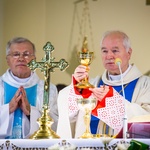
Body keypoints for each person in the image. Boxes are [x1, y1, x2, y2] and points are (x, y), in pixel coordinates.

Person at [56, 30, 150, 139]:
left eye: (115, 50)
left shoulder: (145, 85)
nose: (109, 56)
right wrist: (77, 87)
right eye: (104, 51)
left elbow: (145, 121)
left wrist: (111, 102)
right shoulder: (94, 84)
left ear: (129, 53)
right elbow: (70, 117)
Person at [0, 37, 58, 139]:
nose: (21, 58)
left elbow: (57, 125)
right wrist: (8, 109)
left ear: (34, 60)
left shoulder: (47, 89)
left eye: (26, 54)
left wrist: (31, 111)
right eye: (16, 54)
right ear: (8, 60)